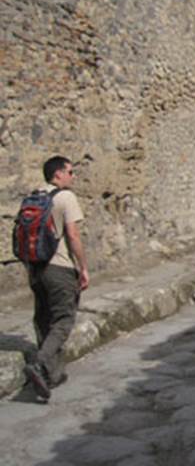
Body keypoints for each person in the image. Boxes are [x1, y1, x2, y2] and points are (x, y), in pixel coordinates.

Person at [24, 155, 90, 401]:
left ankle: (52, 374)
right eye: (71, 172)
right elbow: (72, 236)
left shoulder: (34, 196)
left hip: (35, 269)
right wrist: (83, 267)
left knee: (42, 319)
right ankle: (40, 364)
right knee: (63, 318)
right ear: (59, 174)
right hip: (58, 267)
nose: (73, 177)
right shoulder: (65, 197)